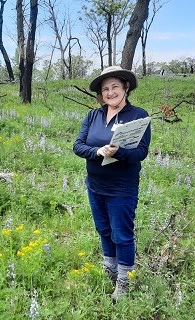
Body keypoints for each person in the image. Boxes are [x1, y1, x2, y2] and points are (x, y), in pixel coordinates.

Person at [73, 66, 151, 301]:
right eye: (105, 89)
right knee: (103, 230)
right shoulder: (93, 116)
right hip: (95, 185)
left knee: (122, 234)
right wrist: (97, 151)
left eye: (115, 86)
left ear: (125, 87)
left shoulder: (137, 115)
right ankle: (110, 270)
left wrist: (119, 152)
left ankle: (124, 282)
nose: (110, 92)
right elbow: (78, 146)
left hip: (122, 188)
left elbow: (141, 152)